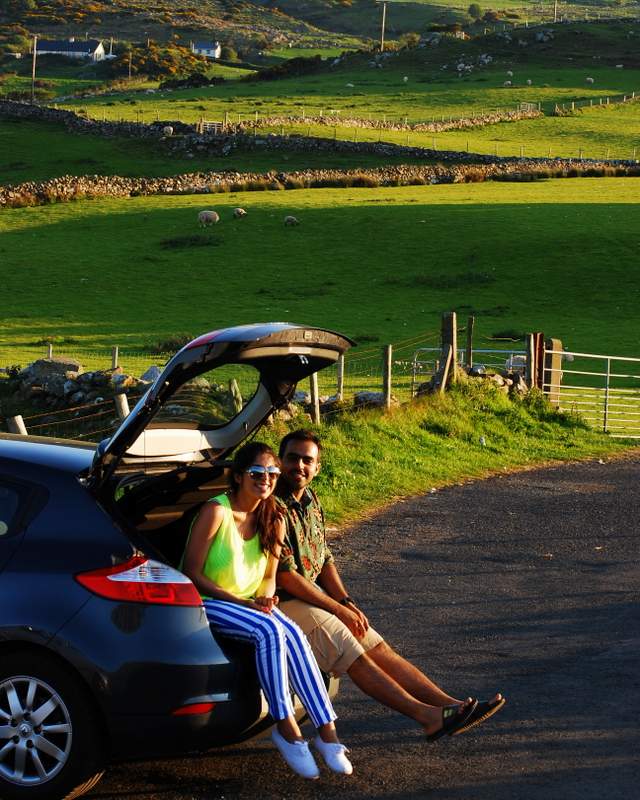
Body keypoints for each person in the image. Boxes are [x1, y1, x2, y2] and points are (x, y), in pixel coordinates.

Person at [275, 429, 505, 740]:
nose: (299, 466)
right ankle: (427, 717)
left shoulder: (311, 500)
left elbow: (324, 558)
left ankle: (451, 706)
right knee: (353, 651)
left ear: (318, 467)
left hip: (316, 598)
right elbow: (286, 575)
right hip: (285, 601)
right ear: (279, 460)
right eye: (292, 458)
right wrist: (336, 610)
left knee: (376, 644)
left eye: (307, 460)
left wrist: (345, 601)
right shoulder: (272, 504)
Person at [182, 442, 353, 779]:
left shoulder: (273, 515)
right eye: (257, 473)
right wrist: (241, 604)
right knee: (270, 630)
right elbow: (192, 574)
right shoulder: (216, 512)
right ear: (239, 476)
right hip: (209, 602)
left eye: (272, 473)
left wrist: (266, 599)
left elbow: (269, 578)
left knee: (291, 630)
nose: (266, 479)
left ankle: (327, 731)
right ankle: (286, 727)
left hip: (248, 605)